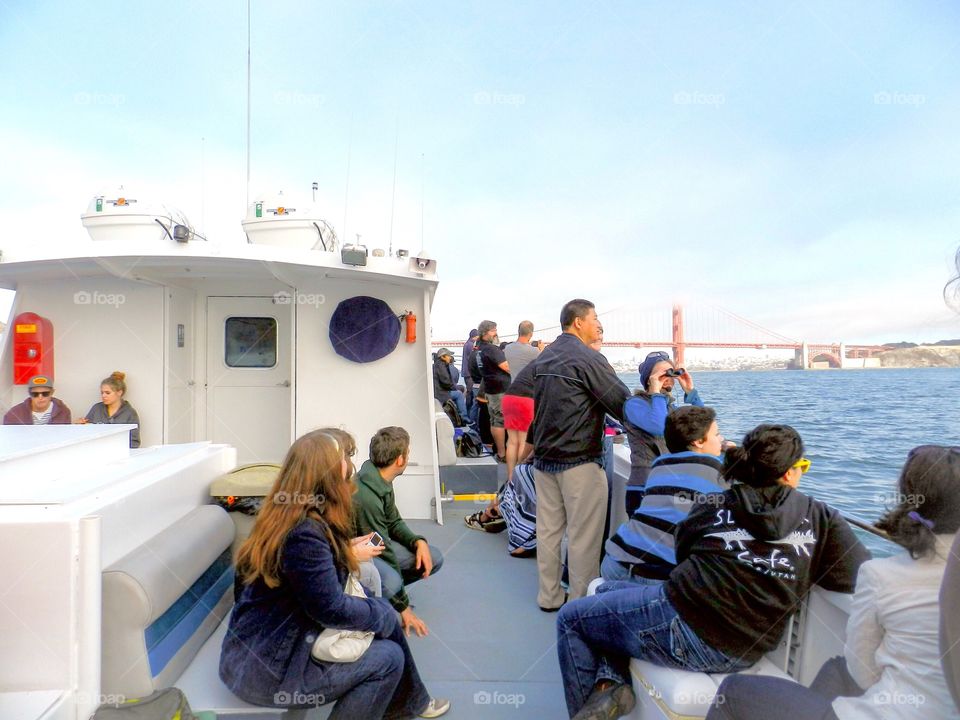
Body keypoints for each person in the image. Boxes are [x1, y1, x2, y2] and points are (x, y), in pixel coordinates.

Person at [556, 424, 870, 720]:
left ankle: (601, 694)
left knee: (572, 619)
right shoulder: (823, 517)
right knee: (606, 592)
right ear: (790, 473)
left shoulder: (716, 501)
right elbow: (857, 574)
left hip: (684, 625)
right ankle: (608, 686)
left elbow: (684, 551)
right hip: (744, 648)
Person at [708, 444, 960, 720]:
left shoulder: (881, 575)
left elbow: (862, 673)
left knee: (732, 690)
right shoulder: (825, 520)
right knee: (836, 670)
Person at [218, 428, 450, 719]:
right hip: (268, 671)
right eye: (345, 465)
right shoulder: (304, 533)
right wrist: (386, 612)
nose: (350, 473)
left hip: (255, 653)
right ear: (328, 478)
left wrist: (342, 553)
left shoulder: (284, 514)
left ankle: (408, 704)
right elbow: (329, 609)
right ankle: (406, 703)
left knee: (385, 620)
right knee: (388, 658)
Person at [532, 299, 631, 608]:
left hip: (544, 458)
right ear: (578, 322)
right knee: (583, 537)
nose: (597, 324)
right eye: (595, 318)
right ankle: (579, 604)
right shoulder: (588, 359)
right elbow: (622, 404)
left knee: (548, 532)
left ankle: (548, 597)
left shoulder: (545, 358)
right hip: (578, 461)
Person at [602, 405, 727, 584]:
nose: (721, 439)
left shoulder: (660, 465)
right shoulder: (720, 473)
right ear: (698, 441)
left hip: (614, 564)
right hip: (655, 577)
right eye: (717, 434)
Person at [353, 427, 444, 637]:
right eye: (408, 453)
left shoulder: (381, 480)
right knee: (392, 579)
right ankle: (370, 599)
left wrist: (417, 542)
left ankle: (387, 594)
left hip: (374, 546)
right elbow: (381, 548)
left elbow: (393, 521)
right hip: (354, 553)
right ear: (400, 460)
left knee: (433, 557)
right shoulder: (366, 496)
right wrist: (404, 608)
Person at [622, 350, 704, 517]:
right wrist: (656, 392)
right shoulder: (634, 404)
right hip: (644, 490)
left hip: (671, 486)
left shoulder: (669, 407)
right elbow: (660, 427)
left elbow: (703, 428)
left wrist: (691, 392)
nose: (668, 377)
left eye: (671, 373)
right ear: (649, 379)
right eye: (661, 373)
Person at [475, 320, 511, 461]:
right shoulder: (491, 349)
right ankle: (502, 454)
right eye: (493, 330)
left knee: (495, 420)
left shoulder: (479, 349)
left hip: (490, 390)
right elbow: (507, 367)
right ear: (485, 333)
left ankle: (499, 450)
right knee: (499, 421)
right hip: (499, 391)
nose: (496, 333)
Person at [76, 371, 141, 447]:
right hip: (96, 451)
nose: (103, 396)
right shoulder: (96, 409)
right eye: (102, 393)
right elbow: (86, 435)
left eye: (107, 393)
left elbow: (134, 442)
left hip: (120, 454)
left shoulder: (130, 413)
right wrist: (78, 427)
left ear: (119, 392)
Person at [3, 375, 72, 425]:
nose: (40, 397)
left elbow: (65, 437)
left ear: (52, 392)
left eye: (45, 393)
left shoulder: (63, 411)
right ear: (29, 394)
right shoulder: (14, 414)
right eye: (35, 394)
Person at [460, 328, 479, 398]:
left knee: (470, 391)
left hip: (466, 372)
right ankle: (469, 408)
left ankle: (468, 407)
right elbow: (474, 358)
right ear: (475, 336)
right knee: (471, 392)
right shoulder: (471, 345)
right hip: (469, 373)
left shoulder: (467, 344)